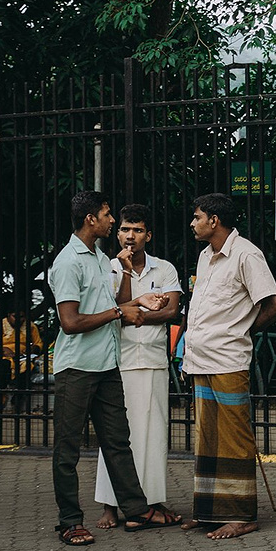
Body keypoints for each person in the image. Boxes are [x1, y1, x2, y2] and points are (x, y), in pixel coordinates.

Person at [48, 190, 181, 546]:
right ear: (91, 219)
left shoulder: (96, 258)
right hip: (77, 366)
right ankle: (69, 521)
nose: (113, 222)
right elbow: (70, 322)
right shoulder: (68, 262)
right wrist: (122, 312)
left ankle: (137, 510)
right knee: (68, 449)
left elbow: (113, 302)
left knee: (118, 443)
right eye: (108, 215)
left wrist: (134, 301)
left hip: (107, 365)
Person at [181, 193, 276, 540]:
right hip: (201, 358)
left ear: (214, 220)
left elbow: (274, 304)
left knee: (235, 437)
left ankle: (242, 515)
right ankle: (209, 511)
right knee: (207, 436)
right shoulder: (204, 257)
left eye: (197, 217)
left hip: (228, 359)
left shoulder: (246, 254)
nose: (193, 223)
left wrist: (245, 328)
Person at [94, 203, 183, 529]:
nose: (131, 236)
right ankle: (110, 505)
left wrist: (137, 315)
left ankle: (151, 501)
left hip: (155, 361)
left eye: (137, 230)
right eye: (125, 230)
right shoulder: (110, 269)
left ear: (148, 234)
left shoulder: (165, 269)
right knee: (116, 435)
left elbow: (172, 311)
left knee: (154, 433)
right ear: (118, 233)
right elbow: (117, 309)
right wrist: (128, 272)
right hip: (120, 362)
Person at [0, 292, 44, 414]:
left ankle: (17, 400)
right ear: (8, 315)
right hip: (3, 358)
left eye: (22, 317)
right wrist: (3, 350)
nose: (19, 320)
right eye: (15, 316)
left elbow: (39, 344)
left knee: (27, 369)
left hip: (23, 359)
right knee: (2, 368)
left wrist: (33, 349)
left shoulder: (30, 327)